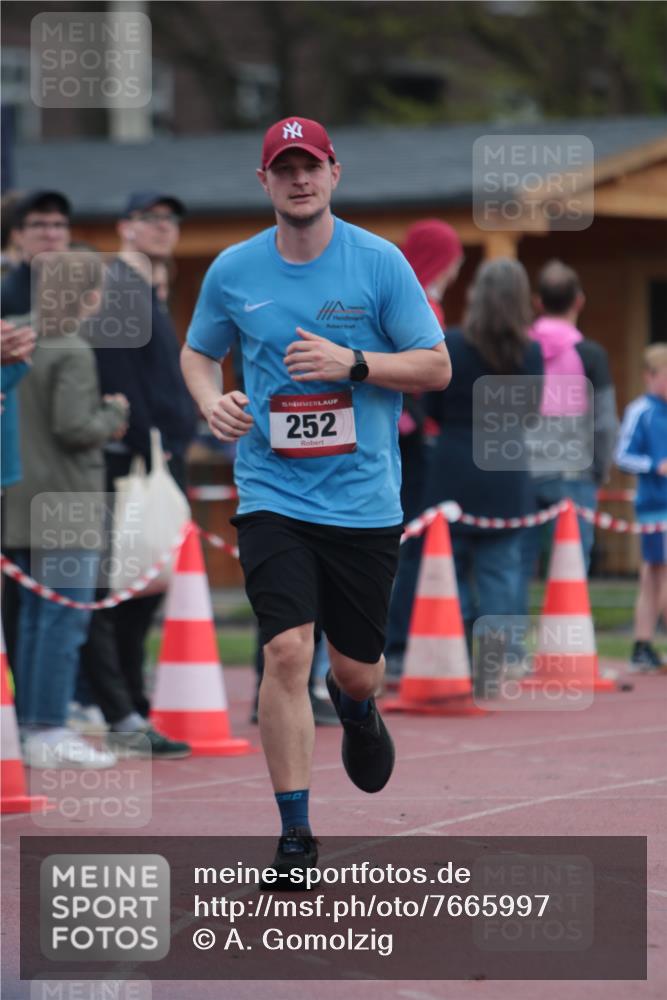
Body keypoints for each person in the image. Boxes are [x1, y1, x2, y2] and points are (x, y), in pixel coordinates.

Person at [181, 115, 451, 876]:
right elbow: (198, 353)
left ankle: (359, 706)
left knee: (354, 668)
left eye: (311, 166)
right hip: (272, 489)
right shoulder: (233, 270)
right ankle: (295, 833)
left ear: (334, 172)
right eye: (283, 168)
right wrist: (213, 401)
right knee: (283, 649)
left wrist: (354, 362)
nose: (298, 179)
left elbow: (434, 368)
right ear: (262, 181)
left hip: (363, 500)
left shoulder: (379, 263)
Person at [77, 191, 197, 758]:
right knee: (124, 588)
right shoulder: (120, 289)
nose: (164, 227)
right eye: (151, 218)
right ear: (126, 227)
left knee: (140, 588)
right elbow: (123, 382)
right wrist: (152, 446)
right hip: (135, 466)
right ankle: (119, 709)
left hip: (156, 457)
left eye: (170, 219)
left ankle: (127, 704)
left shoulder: (143, 290)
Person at [3, 251, 130, 768]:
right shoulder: (72, 347)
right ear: (92, 296)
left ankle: (32, 726)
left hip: (19, 497)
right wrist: (114, 413)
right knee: (62, 621)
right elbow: (75, 427)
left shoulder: (15, 333)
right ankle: (49, 726)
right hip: (69, 501)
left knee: (34, 619)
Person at [422, 258, 543, 696]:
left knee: (446, 570)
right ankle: (496, 665)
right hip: (506, 467)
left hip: (453, 464)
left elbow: (430, 408)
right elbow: (531, 412)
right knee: (500, 572)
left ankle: (449, 661)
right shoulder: (529, 351)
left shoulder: (452, 343)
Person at [384, 219, 464, 682]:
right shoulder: (423, 306)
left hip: (402, 435)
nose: (458, 265)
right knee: (409, 542)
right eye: (453, 255)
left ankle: (395, 643)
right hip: (411, 441)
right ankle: (396, 644)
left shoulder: (406, 297)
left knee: (403, 543)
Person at [519, 260, 618, 614]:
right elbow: (605, 421)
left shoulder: (518, 349)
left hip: (521, 471)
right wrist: (600, 468)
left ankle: (510, 653)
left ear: (537, 303)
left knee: (513, 566)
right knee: (571, 569)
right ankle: (564, 652)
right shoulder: (590, 354)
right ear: (579, 301)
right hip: (573, 474)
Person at [614, 343, 667, 671]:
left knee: (653, 575)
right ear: (650, 376)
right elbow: (621, 456)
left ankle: (642, 644)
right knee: (657, 574)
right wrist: (654, 466)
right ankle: (643, 643)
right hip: (654, 505)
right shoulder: (640, 411)